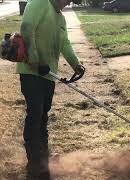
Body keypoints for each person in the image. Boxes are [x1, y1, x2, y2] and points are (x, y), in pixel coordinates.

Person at [17, 0, 84, 178]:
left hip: (48, 75)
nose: (69, 2)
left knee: (43, 115)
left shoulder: (61, 18)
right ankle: (34, 161)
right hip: (31, 73)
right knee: (35, 113)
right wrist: (34, 60)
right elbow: (26, 28)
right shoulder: (39, 3)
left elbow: (65, 44)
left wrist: (76, 64)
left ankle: (43, 156)